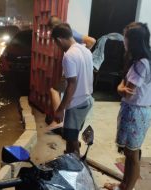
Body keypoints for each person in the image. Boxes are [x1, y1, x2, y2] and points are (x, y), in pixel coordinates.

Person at [104, 22, 151, 190]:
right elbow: (126, 86)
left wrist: (119, 87)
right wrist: (122, 85)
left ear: (134, 40)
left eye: (126, 37)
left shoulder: (141, 64)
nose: (124, 40)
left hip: (135, 112)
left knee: (133, 154)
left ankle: (127, 188)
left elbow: (127, 91)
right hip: (137, 111)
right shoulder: (142, 60)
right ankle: (123, 185)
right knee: (130, 153)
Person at [51, 23, 94, 156]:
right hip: (87, 100)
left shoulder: (69, 56)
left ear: (59, 40)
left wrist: (60, 109)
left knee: (71, 139)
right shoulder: (86, 50)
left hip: (76, 104)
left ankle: (74, 166)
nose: (58, 47)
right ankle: (72, 155)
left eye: (56, 44)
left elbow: (71, 85)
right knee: (73, 134)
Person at [47, 16, 96, 130]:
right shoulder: (74, 41)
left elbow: (92, 40)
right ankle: (61, 119)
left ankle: (59, 120)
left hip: (76, 97)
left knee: (55, 89)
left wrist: (77, 59)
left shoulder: (70, 53)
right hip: (85, 97)